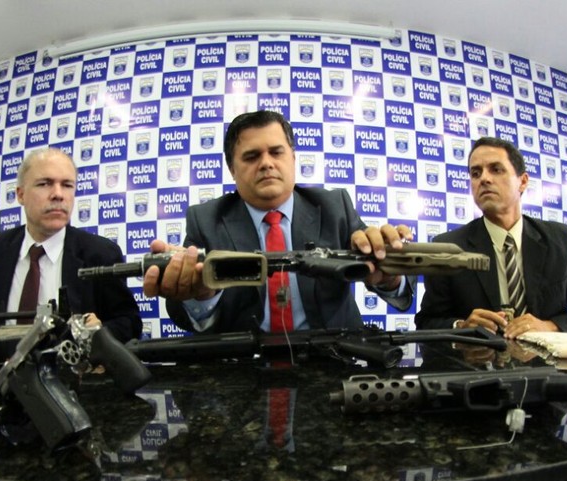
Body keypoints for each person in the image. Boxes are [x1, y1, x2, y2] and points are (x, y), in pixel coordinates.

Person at [141, 110, 415, 334]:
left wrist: (389, 276)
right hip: (243, 366)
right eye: (251, 156)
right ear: (232, 170)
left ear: (293, 159)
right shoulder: (205, 220)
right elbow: (185, 316)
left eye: (276, 152)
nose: (266, 163)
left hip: (333, 357)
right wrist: (200, 295)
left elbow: (390, 279)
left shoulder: (335, 207)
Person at [415, 137, 567, 337]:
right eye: (476, 173)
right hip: (479, 356)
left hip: (546, 356)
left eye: (496, 169)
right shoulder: (449, 248)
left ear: (522, 182)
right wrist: (461, 327)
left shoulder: (559, 239)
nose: (484, 179)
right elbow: (427, 322)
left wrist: (550, 326)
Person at [0, 147, 142, 342]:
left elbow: (129, 322)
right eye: (44, 184)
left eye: (67, 185)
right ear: (20, 194)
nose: (58, 194)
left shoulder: (100, 253)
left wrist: (98, 333)